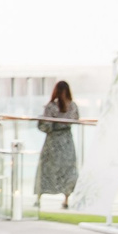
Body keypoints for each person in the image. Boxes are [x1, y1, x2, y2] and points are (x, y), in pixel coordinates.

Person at [35, 80, 81, 209]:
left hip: (53, 141)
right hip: (67, 141)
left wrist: (41, 122)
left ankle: (39, 197)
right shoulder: (72, 106)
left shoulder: (51, 107)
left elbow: (46, 126)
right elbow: (75, 120)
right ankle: (66, 199)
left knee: (46, 168)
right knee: (68, 169)